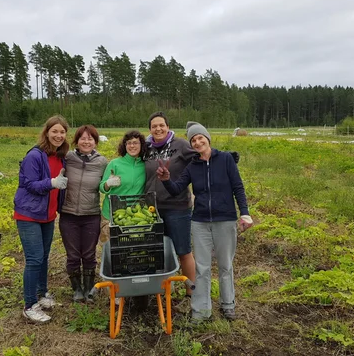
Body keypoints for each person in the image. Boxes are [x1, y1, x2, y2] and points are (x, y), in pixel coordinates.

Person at [156, 121, 254, 322]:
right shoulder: (193, 166)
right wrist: (166, 179)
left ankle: (228, 305)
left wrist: (244, 213)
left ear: (207, 138)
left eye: (200, 137)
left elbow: (238, 188)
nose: (198, 142)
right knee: (202, 267)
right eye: (193, 140)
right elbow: (177, 189)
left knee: (226, 265)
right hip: (200, 222)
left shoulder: (226, 159)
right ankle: (201, 310)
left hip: (225, 220)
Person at [13, 115, 69, 323]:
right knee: (34, 258)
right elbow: (29, 184)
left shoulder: (60, 156)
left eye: (62, 132)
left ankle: (43, 293)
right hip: (29, 214)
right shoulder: (35, 156)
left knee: (44, 256)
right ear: (46, 132)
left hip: (47, 214)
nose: (58, 135)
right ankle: (29, 305)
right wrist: (52, 182)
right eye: (54, 131)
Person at [143, 112, 198, 302]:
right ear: (149, 129)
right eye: (154, 126)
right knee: (158, 251)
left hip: (178, 206)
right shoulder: (146, 147)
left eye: (161, 125)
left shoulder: (180, 145)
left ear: (167, 126)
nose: (158, 129)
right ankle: (162, 289)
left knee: (183, 250)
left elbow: (200, 158)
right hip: (152, 208)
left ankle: (192, 292)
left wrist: (222, 159)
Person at [59, 125, 108, 303]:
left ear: (95, 142)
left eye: (90, 139)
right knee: (73, 255)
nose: (86, 142)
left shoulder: (102, 162)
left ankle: (88, 288)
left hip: (91, 215)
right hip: (68, 214)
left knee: (88, 254)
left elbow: (105, 185)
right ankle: (76, 289)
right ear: (76, 141)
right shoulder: (68, 157)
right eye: (83, 138)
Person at [99, 130, 147, 225]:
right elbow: (102, 188)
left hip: (134, 215)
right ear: (124, 146)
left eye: (135, 143)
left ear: (141, 145)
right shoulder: (115, 164)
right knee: (108, 240)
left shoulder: (145, 165)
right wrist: (107, 184)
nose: (132, 146)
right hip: (112, 214)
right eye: (128, 143)